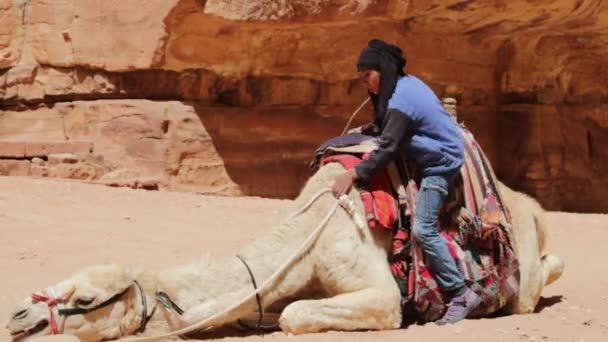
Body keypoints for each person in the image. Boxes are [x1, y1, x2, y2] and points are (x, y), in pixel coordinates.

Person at [331, 39, 481, 325]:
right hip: (427, 152)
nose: (367, 83)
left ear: (382, 70)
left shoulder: (401, 99)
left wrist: (353, 174)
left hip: (440, 162)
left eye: (368, 76)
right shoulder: (405, 84)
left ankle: (461, 292)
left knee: (423, 229)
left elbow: (388, 147)